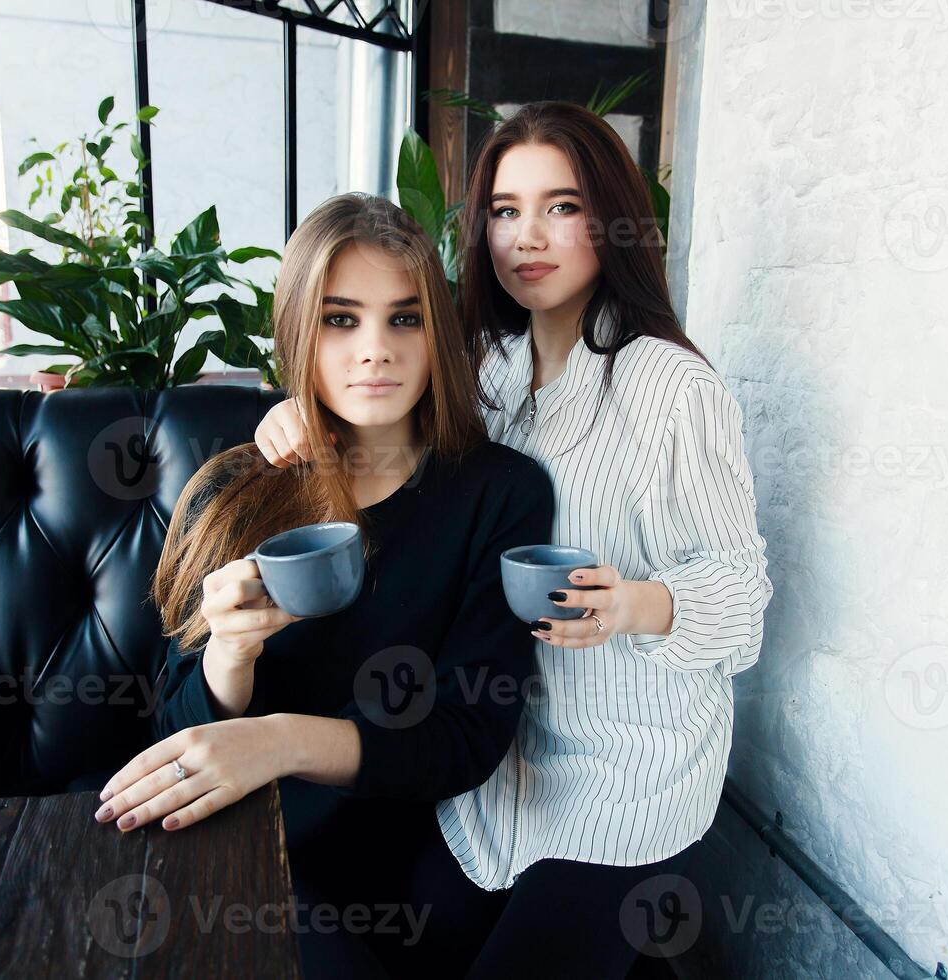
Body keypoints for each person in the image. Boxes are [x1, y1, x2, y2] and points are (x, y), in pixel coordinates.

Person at [251, 101, 774, 976]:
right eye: (504, 210)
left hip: (628, 772)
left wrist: (638, 605)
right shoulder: (488, 368)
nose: (528, 235)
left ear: (611, 222)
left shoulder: (674, 390)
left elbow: (744, 605)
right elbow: (378, 406)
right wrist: (294, 415)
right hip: (499, 766)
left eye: (562, 207)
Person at [92, 192, 555, 977]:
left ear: (436, 333)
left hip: (411, 855)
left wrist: (275, 742)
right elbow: (176, 727)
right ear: (299, 332)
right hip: (240, 840)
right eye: (341, 319)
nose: (375, 349)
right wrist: (229, 658)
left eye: (404, 319)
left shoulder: (499, 494)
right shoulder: (238, 488)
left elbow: (466, 734)